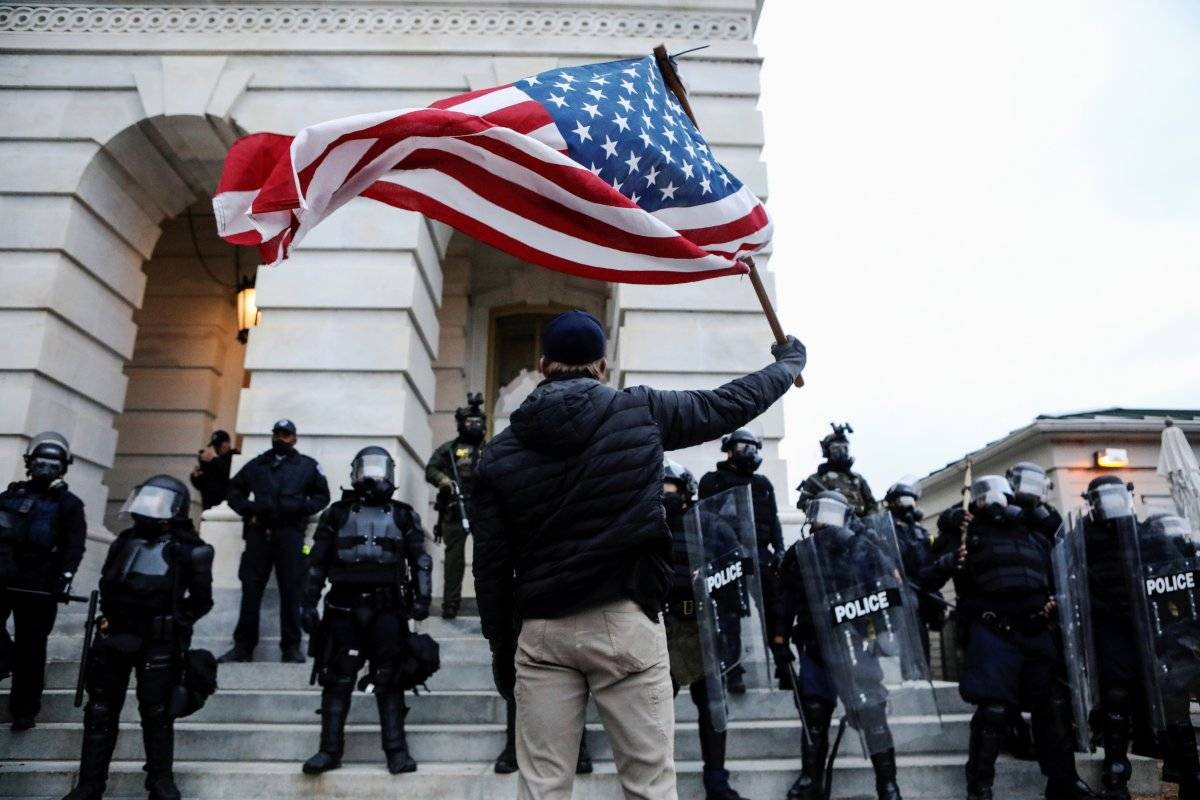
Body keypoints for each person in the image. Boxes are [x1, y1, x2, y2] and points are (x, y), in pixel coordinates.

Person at [471, 309, 807, 800]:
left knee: (542, 789)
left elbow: (491, 569)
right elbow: (726, 406)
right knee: (648, 785)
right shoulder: (638, 411)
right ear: (602, 366)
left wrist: (502, 649)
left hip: (541, 630)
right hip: (624, 621)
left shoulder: (498, 453)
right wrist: (787, 365)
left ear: (543, 364)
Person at [927, 475, 1098, 800]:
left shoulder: (1033, 532)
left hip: (1035, 631)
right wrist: (950, 548)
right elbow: (928, 576)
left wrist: (1056, 598)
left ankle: (1062, 781)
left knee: (1053, 708)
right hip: (993, 632)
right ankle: (980, 787)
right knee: (993, 711)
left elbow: (1060, 567)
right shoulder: (965, 532)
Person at [62, 475, 214, 800]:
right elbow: (108, 583)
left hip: (157, 641)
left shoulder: (189, 550)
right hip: (115, 635)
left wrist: (175, 623)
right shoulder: (125, 541)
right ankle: (90, 784)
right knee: (100, 710)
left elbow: (202, 600)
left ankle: (160, 781)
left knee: (157, 711)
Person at [298, 446, 433, 776]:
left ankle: (396, 751)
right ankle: (329, 750)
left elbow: (420, 560)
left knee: (389, 678)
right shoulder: (337, 513)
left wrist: (423, 598)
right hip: (343, 608)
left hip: (387, 609)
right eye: (366, 470)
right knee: (337, 678)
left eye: (379, 470)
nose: (372, 477)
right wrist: (307, 602)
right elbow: (316, 561)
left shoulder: (402, 514)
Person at [771, 491, 903, 800]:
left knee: (872, 713)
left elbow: (886, 590)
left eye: (832, 512)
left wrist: (886, 633)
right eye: (820, 512)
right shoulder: (799, 553)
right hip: (815, 646)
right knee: (814, 714)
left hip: (856, 645)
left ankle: (888, 784)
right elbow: (783, 600)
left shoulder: (864, 549)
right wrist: (778, 640)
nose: (824, 520)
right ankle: (810, 780)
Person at [662, 459, 748, 800]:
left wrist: (732, 635)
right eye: (661, 491)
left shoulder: (710, 526)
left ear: (686, 492)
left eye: (672, 490)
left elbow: (733, 579)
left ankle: (716, 779)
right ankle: (655, 777)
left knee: (713, 704)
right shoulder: (647, 526)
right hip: (661, 627)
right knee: (655, 707)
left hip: (703, 625)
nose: (667, 497)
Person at [220, 419, 330, 664]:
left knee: (292, 591)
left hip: (290, 535)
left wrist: (302, 508)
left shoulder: (307, 466)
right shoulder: (258, 464)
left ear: (294, 438)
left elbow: (323, 495)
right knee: (251, 590)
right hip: (259, 532)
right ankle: (243, 646)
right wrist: (249, 509)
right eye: (277, 434)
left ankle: (291, 647)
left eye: (286, 435)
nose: (281, 438)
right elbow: (233, 491)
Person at [0, 432, 87, 731]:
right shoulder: (10, 497)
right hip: (3, 577)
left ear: (62, 468)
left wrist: (64, 578)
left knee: (32, 646)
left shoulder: (70, 505)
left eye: (52, 465)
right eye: (40, 463)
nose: (45, 470)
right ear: (30, 463)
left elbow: (74, 546)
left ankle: (24, 709)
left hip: (40, 584)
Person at [698, 428, 785, 696]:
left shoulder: (762, 484)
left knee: (774, 611)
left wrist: (779, 549)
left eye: (753, 448)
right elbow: (705, 521)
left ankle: (783, 666)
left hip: (760, 554)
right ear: (729, 449)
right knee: (730, 616)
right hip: (727, 558)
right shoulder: (712, 481)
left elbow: (773, 520)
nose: (749, 453)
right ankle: (733, 670)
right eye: (743, 447)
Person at [424, 393, 486, 621]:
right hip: (454, 509)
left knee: (488, 558)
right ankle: (451, 604)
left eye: (478, 422)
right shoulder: (448, 450)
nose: (474, 426)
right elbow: (431, 469)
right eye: (469, 422)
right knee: (454, 560)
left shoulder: (490, 449)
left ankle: (490, 604)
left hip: (483, 510)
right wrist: (443, 480)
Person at [883, 479, 944, 663]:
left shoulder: (919, 531)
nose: (909, 507)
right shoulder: (887, 529)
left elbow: (932, 554)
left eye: (912, 502)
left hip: (923, 587)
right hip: (903, 588)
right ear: (893, 503)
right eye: (904, 501)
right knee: (911, 630)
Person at [796, 423, 877, 517]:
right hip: (831, 528)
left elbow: (872, 505)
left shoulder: (857, 479)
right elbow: (803, 505)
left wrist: (869, 521)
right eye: (837, 449)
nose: (842, 452)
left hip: (860, 527)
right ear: (827, 451)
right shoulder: (815, 480)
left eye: (845, 448)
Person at [1007, 462, 1061, 544]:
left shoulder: (1048, 513)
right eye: (1027, 483)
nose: (1031, 490)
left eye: (1035, 485)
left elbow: (1061, 538)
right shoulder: (1008, 509)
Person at [189, 430, 239, 511]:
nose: (217, 449)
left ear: (227, 443)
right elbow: (202, 484)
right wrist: (195, 476)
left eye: (219, 445)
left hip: (227, 509)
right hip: (209, 509)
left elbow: (230, 474)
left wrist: (213, 460)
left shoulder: (235, 458)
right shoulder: (215, 462)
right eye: (216, 446)